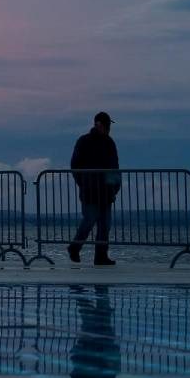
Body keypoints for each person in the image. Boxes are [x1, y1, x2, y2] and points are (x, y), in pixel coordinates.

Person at [68, 111, 120, 266]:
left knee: (105, 224)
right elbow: (75, 165)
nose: (108, 128)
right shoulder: (84, 141)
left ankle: (101, 256)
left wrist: (114, 187)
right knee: (89, 220)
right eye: (107, 125)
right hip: (91, 191)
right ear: (99, 125)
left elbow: (114, 167)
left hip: (105, 191)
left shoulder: (109, 143)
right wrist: (83, 183)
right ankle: (75, 247)